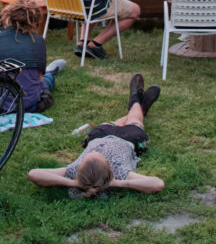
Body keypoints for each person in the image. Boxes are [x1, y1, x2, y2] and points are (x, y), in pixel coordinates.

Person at [27, 73, 164, 197]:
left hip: (100, 136)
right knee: (135, 120)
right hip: (128, 139)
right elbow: (157, 184)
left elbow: (34, 174)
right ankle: (136, 100)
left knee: (116, 122)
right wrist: (118, 183)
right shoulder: (120, 173)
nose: (101, 152)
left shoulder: (73, 171)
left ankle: (140, 105)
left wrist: (75, 183)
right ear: (110, 170)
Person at [0, 0, 68, 112]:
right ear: (36, 20)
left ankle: (50, 72)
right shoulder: (38, 41)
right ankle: (51, 72)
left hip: (1, 104)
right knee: (46, 79)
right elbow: (40, 77)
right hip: (30, 104)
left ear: (8, 16)